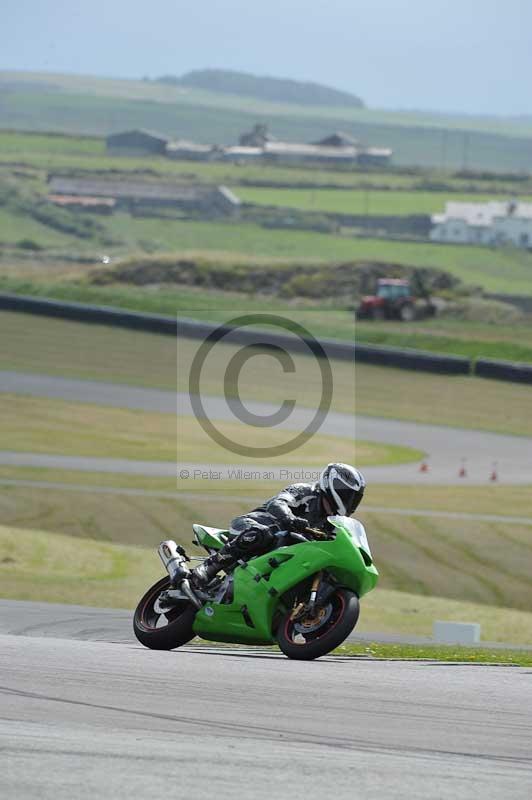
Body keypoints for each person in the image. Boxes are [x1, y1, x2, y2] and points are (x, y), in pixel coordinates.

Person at [190, 462, 366, 587]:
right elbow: (278, 503)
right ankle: (210, 566)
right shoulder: (305, 491)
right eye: (347, 494)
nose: (350, 501)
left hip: (282, 550)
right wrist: (289, 518)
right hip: (251, 526)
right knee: (266, 533)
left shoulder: (333, 523)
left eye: (354, 498)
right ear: (332, 484)